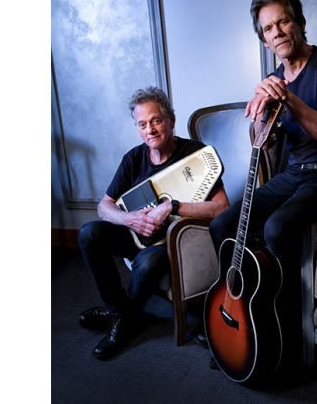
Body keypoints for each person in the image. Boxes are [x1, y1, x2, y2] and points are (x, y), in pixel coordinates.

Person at [208, 0, 317, 371]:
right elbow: (262, 141)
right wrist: (261, 116)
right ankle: (246, 316)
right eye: (268, 28)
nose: (276, 32)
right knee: (222, 225)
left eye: (283, 21)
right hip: (294, 175)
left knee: (278, 227)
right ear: (263, 39)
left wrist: (289, 98)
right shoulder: (273, 80)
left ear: (300, 22)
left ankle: (287, 332)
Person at [78, 86, 229, 360]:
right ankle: (120, 311)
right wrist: (129, 219)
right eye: (142, 124)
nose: (150, 130)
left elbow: (221, 209)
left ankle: (122, 322)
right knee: (88, 233)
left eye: (156, 121)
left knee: (149, 261)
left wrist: (172, 207)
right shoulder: (134, 158)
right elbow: (104, 206)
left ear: (171, 121)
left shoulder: (195, 155)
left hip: (173, 244)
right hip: (136, 235)